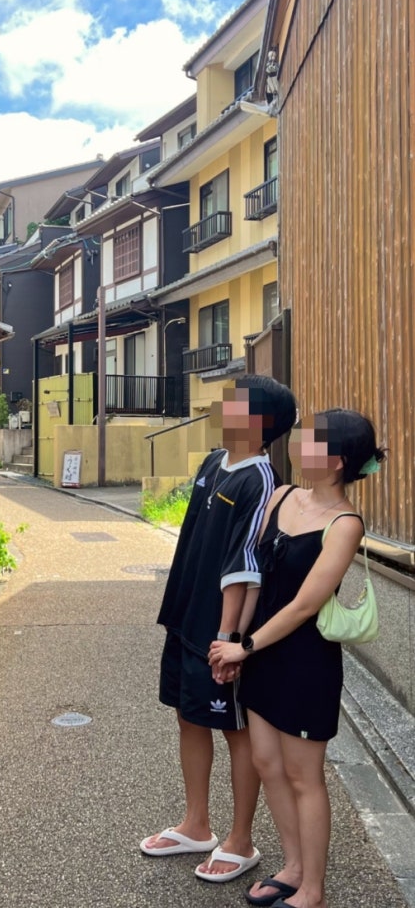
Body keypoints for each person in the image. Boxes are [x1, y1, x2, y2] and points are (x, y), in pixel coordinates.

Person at [208, 409, 385, 908]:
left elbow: (306, 605)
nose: (297, 445)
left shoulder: (345, 524)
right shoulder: (281, 496)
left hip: (306, 662)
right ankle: (293, 867)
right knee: (267, 763)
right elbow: (254, 576)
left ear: (336, 460)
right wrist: (233, 639)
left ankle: (313, 889)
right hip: (261, 653)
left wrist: (245, 646)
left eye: (310, 440)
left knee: (305, 775)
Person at [141, 375, 298, 883]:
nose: (222, 406)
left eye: (235, 402)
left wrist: (230, 639)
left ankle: (241, 840)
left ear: (258, 422)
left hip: (219, 631)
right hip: (186, 615)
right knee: (188, 717)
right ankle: (196, 824)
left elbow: (246, 566)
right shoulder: (213, 462)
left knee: (235, 730)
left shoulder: (261, 481)